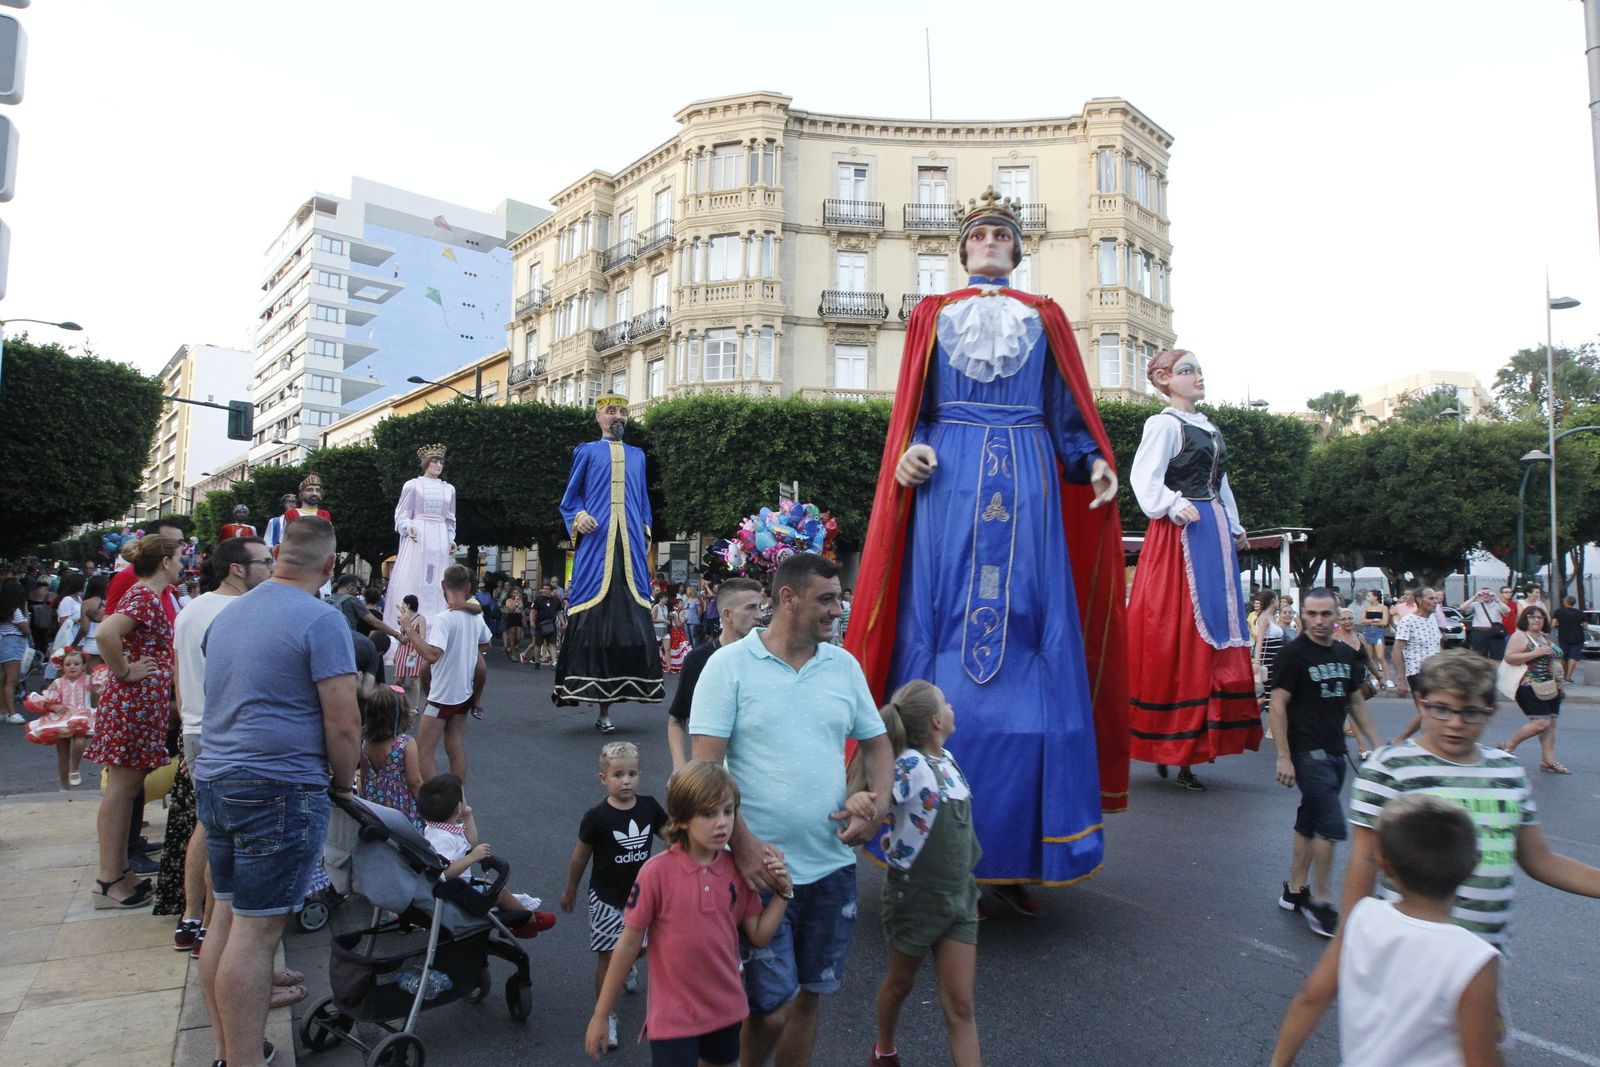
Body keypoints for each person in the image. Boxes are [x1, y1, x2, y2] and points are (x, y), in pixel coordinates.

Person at [847, 189, 1128, 916]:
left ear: (1018, 249)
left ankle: (1023, 851)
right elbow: (914, 409)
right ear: (963, 248)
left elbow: (1068, 412)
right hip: (951, 479)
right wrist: (909, 452)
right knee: (936, 619)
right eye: (981, 233)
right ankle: (923, 834)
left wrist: (1091, 460)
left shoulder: (1048, 318)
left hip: (1031, 474)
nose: (992, 241)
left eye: (1004, 234)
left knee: (1033, 622)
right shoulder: (930, 317)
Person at [691, 552, 892, 1067]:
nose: (837, 610)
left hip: (832, 867)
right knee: (769, 1009)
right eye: (826, 599)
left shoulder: (842, 666)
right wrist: (745, 845)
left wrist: (877, 803)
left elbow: (877, 743)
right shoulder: (727, 667)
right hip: (761, 872)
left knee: (807, 998)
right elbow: (705, 770)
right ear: (787, 598)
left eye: (839, 598)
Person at [1344, 649, 1600, 1030]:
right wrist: (1352, 948)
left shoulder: (1506, 771)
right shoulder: (1388, 767)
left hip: (1481, 965)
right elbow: (1363, 864)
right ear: (1421, 703)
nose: (1455, 724)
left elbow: (1539, 860)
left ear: (1491, 711)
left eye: (1471, 713)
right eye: (1441, 710)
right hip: (1407, 963)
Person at [192, 515, 359, 1067]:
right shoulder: (321, 619)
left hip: (217, 780)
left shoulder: (230, 615)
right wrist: (343, 780)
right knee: (257, 933)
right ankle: (242, 1060)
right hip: (278, 786)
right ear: (330, 565)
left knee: (225, 916)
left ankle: (227, 1050)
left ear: (280, 553)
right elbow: (342, 722)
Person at [584, 759, 792, 1065]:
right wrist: (601, 1015)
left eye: (728, 811)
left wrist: (784, 893)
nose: (722, 823)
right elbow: (628, 944)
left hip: (726, 1010)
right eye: (708, 814)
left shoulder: (737, 870)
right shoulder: (657, 873)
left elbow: (759, 935)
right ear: (681, 819)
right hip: (672, 1017)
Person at [1270, 795, 1501, 1067]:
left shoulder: (1363, 917)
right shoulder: (1475, 959)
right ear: (1473, 865)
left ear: (1384, 864)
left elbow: (1311, 997)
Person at [1127, 349, 1260, 792]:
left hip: (1212, 529)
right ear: (1164, 379)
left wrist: (1235, 525)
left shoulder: (1209, 428)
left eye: (1199, 370)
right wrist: (1171, 504)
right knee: (1179, 630)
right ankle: (1173, 741)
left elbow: (1220, 483)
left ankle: (1190, 743)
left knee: (1216, 629)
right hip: (1181, 532)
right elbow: (1144, 477)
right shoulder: (1163, 424)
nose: (1198, 376)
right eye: (1188, 370)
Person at [862, 681, 982, 1067]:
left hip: (959, 898)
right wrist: (872, 817)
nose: (951, 707)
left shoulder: (949, 760)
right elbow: (881, 803)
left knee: (961, 1005)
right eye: (946, 703)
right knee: (900, 983)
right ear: (935, 720)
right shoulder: (909, 764)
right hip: (914, 898)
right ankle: (885, 1048)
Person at [164, 536, 275, 949]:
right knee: (227, 834)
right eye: (264, 562)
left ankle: (192, 917)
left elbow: (178, 679)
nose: (271, 568)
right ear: (237, 568)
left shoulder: (189, 610)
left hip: (196, 727)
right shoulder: (242, 611)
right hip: (230, 731)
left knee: (205, 826)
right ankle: (212, 928)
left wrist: (188, 726)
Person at [1268, 589, 1379, 939]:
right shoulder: (1292, 654)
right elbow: (1277, 706)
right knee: (1331, 824)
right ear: (1301, 615)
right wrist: (1284, 756)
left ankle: (1295, 890)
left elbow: (1356, 702)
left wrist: (1378, 747)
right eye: (1312, 614)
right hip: (1306, 753)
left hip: (1335, 751)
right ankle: (1323, 901)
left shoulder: (1345, 653)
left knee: (1310, 819)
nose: (1319, 621)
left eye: (1325, 614)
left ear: (1337, 616)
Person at [554, 394, 665, 733]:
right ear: (598, 418)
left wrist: (645, 529)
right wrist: (580, 517)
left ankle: (614, 699)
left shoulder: (638, 456)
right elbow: (570, 499)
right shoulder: (586, 452)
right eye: (610, 412)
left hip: (629, 542)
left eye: (622, 412)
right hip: (597, 544)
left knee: (630, 614)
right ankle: (586, 688)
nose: (617, 417)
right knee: (591, 611)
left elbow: (643, 499)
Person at [85, 535, 182, 910]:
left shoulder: (147, 594)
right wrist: (125, 672)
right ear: (164, 563)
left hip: (140, 704)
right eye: (177, 558)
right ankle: (109, 879)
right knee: (122, 790)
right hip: (134, 704)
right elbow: (107, 633)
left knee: (127, 789)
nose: (182, 564)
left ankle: (119, 871)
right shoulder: (143, 595)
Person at [561, 740, 669, 1050]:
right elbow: (579, 858)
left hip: (643, 898)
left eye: (632, 774)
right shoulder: (596, 817)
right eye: (619, 774)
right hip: (607, 899)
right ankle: (605, 1016)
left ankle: (629, 963)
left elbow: (671, 837)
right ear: (603, 779)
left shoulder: (649, 807)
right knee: (608, 958)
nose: (626, 781)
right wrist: (571, 889)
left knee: (638, 950)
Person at [415, 773, 551, 933]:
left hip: (459, 887)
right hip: (454, 893)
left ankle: (518, 921)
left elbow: (471, 841)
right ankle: (529, 921)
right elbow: (444, 871)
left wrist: (468, 815)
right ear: (457, 807)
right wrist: (473, 857)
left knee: (491, 886)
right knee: (500, 894)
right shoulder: (442, 839)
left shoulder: (442, 826)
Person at [403, 563, 491, 783]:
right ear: (469, 586)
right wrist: (466, 651)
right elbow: (487, 642)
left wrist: (409, 629)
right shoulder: (474, 615)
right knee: (455, 746)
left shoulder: (444, 618)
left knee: (423, 753)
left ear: (443, 585)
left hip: (440, 697)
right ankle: (458, 799)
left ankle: (441, 803)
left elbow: (432, 655)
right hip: (463, 694)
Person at [666, 577, 763, 771]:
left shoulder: (768, 655)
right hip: (713, 773)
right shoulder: (699, 659)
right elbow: (677, 719)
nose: (759, 615)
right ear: (727, 614)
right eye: (751, 608)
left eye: (760, 607)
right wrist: (679, 766)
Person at [381, 444, 458, 650]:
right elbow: (402, 514)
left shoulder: (448, 489)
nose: (438, 465)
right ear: (426, 463)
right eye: (434, 461)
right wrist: (409, 527)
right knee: (416, 576)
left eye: (441, 462)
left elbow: (450, 518)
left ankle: (436, 631)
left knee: (437, 579)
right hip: (420, 533)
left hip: (440, 534)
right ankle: (409, 627)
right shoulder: (413, 485)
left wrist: (451, 538)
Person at [1496, 604, 1569, 774]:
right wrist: (1536, 653)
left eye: (1540, 617)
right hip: (1529, 686)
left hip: (1551, 686)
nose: (1536, 620)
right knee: (1541, 722)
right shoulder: (1521, 636)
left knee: (1550, 725)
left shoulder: (1544, 636)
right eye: (1532, 617)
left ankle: (1548, 761)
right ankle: (1508, 746)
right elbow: (1509, 658)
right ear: (1525, 619)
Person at [23, 647, 94, 787]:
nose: (72, 667)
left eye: (76, 664)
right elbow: (43, 700)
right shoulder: (57, 683)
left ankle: (74, 769)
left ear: (84, 666)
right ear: (61, 667)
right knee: (63, 755)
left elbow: (102, 689)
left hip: (82, 717)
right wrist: (54, 707)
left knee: (79, 742)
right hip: (61, 719)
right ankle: (64, 787)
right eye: (68, 664)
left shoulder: (88, 680)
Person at [358, 685, 423, 830]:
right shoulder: (405, 743)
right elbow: (415, 782)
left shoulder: (365, 744)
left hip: (376, 806)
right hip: (401, 808)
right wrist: (425, 806)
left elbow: (364, 778)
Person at [1388, 587, 1444, 745]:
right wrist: (1401, 681)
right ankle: (1413, 744)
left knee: (1432, 711)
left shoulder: (1432, 619)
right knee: (1428, 712)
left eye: (1436, 598)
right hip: (1418, 673)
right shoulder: (1408, 621)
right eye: (1431, 599)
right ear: (1419, 600)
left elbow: (1438, 647)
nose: (1435, 602)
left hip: (1437, 673)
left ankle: (1399, 742)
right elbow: (1396, 651)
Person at [0, 577, 32, 723]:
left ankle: (3, 710)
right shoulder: (16, 612)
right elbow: (26, 630)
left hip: (3, 643)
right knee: (11, 680)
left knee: (3, 679)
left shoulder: (4, 612)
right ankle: (12, 713)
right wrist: (25, 611)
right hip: (14, 645)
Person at [392, 594, 424, 711]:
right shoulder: (402, 618)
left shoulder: (420, 618)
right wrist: (396, 652)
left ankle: (414, 707)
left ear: (408, 605)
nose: (402, 605)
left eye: (403, 603)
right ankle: (396, 702)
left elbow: (422, 636)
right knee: (398, 678)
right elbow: (402, 636)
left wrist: (416, 651)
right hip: (403, 649)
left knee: (414, 679)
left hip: (414, 649)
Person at [1357, 589, 1393, 689]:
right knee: (1371, 657)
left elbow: (1384, 622)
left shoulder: (1383, 608)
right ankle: (1375, 678)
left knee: (1381, 657)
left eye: (1369, 596)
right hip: (1368, 632)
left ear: (1375, 597)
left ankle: (1388, 679)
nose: (1367, 598)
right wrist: (1374, 620)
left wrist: (1371, 622)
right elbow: (1362, 620)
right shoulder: (1366, 607)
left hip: (1378, 632)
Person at [1552, 594, 1585, 685]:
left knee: (1563, 657)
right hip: (1578, 636)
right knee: (1573, 657)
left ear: (1565, 602)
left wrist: (1560, 625)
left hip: (1563, 636)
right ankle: (1568, 677)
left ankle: (1563, 675)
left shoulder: (1558, 611)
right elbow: (1585, 625)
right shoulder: (1580, 612)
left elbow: (1553, 624)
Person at [527, 580, 562, 667]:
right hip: (540, 624)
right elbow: (533, 611)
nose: (544, 591)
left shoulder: (556, 600)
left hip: (551, 625)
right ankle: (537, 661)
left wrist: (563, 622)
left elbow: (559, 612)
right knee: (538, 644)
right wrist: (531, 621)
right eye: (544, 589)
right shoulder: (539, 599)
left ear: (551, 590)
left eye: (547, 589)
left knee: (552, 644)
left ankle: (554, 662)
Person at [501, 584, 526, 661]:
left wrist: (524, 619)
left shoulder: (520, 600)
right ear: (511, 594)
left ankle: (510, 648)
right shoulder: (508, 600)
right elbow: (511, 609)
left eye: (517, 593)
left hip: (518, 617)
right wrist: (515, 602)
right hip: (511, 617)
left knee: (518, 637)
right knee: (512, 637)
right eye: (514, 593)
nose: (516, 594)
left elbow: (522, 610)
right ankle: (513, 654)